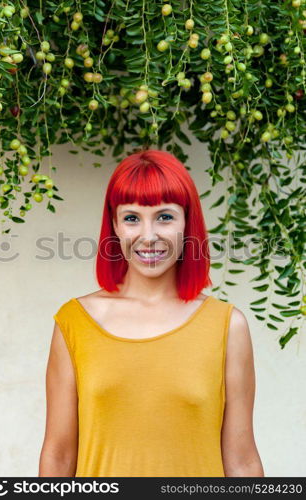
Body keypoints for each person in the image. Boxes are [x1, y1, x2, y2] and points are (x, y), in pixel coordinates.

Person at [38, 149, 264, 477]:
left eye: (165, 217)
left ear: (187, 223)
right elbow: (58, 456)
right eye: (132, 218)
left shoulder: (227, 326)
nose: (148, 236)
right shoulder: (75, 323)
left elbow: (242, 461)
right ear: (114, 225)